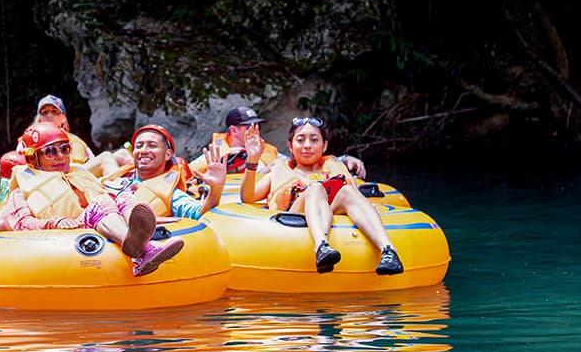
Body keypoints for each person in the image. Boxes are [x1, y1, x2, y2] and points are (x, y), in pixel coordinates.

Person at [0, 121, 183, 276]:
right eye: (51, 152)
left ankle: (142, 241)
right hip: (71, 230)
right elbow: (22, 224)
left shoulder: (80, 174)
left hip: (99, 221)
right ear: (34, 159)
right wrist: (54, 223)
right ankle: (141, 250)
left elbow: (106, 196)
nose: (61, 156)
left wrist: (153, 220)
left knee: (122, 197)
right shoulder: (21, 190)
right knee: (102, 204)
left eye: (65, 149)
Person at [239, 117, 403, 275]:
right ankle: (321, 246)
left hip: (329, 210)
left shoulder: (335, 166)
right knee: (316, 188)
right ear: (290, 146)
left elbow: (356, 196)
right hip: (293, 215)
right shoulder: (279, 170)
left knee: (347, 191)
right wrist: (252, 160)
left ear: (324, 145)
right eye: (301, 140)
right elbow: (248, 198)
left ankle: (388, 251)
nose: (307, 145)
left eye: (314, 140)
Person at [190, 105, 367, 181]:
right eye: (248, 127)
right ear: (234, 131)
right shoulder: (216, 152)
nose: (255, 130)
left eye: (257, 125)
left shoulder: (267, 149)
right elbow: (189, 171)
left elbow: (300, 159)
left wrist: (342, 159)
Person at [102, 124, 229, 220]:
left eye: (152, 145)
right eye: (139, 146)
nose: (143, 150)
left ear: (167, 154)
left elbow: (199, 213)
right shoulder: (121, 177)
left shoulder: (170, 193)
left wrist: (216, 188)